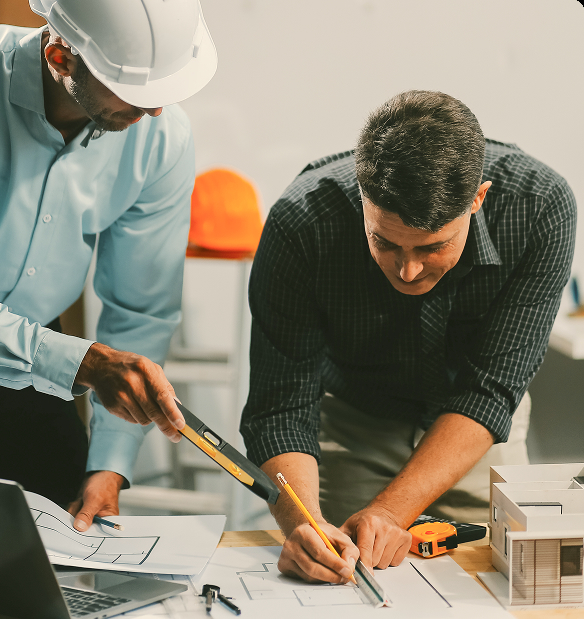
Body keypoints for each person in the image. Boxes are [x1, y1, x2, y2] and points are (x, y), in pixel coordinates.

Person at [0, 0, 216, 615]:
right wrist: (91, 366)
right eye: (132, 92)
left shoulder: (161, 135)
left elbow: (140, 310)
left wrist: (110, 465)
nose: (152, 109)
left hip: (42, 362)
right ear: (60, 55)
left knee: (57, 584)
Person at [240, 90, 576, 585]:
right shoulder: (301, 223)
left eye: (434, 246)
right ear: (362, 194)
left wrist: (394, 511)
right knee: (337, 577)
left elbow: (491, 389)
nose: (409, 268)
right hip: (356, 420)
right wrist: (303, 524)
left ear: (478, 199)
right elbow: (281, 407)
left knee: (504, 584)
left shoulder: (541, 208)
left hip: (478, 433)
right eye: (384, 241)